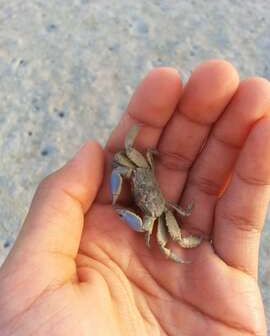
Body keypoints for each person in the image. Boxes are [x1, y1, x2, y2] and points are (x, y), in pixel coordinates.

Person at [0, 60, 269, 335]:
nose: (137, 201)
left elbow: (172, 240)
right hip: (145, 176)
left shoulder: (158, 218)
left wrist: (182, 236)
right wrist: (132, 179)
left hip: (160, 206)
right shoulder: (142, 168)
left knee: (170, 240)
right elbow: (127, 148)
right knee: (124, 155)